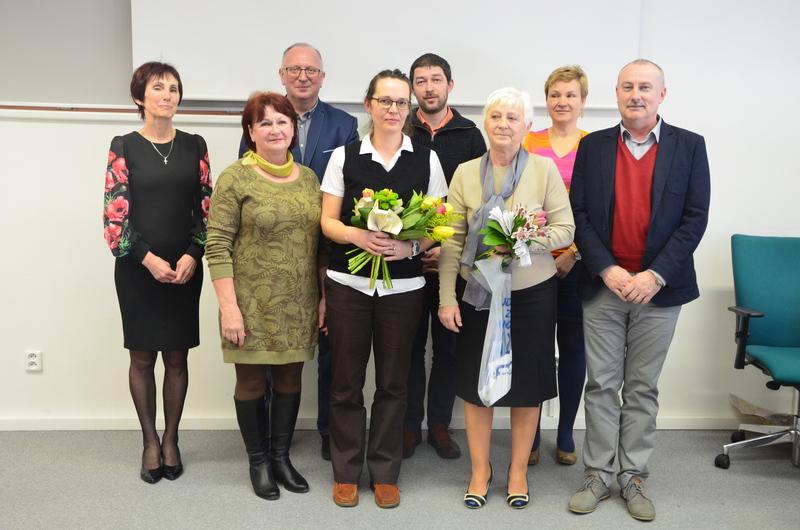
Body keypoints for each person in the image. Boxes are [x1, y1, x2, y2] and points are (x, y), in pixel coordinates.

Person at [567, 59, 710, 522]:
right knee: (603, 384)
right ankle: (597, 475)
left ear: (662, 95)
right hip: (605, 286)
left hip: (659, 290)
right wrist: (606, 268)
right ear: (616, 93)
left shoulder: (690, 147)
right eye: (628, 87)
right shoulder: (594, 147)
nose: (636, 95)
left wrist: (654, 275)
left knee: (643, 387)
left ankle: (634, 476)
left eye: (645, 87)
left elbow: (694, 219)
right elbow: (580, 214)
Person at [438, 87, 575, 509]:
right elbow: (451, 240)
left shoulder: (544, 170)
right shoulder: (463, 173)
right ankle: (481, 471)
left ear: (527, 127)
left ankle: (517, 471)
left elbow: (566, 230)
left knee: (526, 385)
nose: (504, 125)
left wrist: (525, 239)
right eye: (496, 116)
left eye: (513, 118)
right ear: (485, 123)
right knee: (477, 386)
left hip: (532, 294)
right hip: (476, 293)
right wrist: (447, 297)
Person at [320, 69, 448, 509]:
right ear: (368, 104)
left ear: (409, 109)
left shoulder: (426, 158)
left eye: (401, 102)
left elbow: (438, 225)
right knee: (345, 383)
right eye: (385, 101)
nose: (394, 109)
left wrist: (411, 243)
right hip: (348, 285)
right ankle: (346, 472)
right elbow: (328, 221)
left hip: (405, 287)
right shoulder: (344, 156)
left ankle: (386, 471)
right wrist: (359, 238)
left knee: (394, 383)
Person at [238, 42, 359, 461]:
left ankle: (327, 430)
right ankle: (268, 439)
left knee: (329, 350)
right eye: (295, 69)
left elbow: (352, 184)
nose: (303, 76)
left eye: (311, 70)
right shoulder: (259, 117)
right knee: (267, 355)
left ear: (322, 77)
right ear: (282, 74)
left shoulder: (344, 125)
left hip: (326, 248)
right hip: (268, 256)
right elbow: (247, 185)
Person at [207, 92, 324, 501]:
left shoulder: (310, 178)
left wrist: (323, 297)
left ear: (293, 129)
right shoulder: (234, 178)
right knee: (252, 380)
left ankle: (280, 457)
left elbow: (319, 245)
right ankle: (257, 460)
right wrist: (229, 308)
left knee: (292, 378)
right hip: (250, 303)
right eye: (265, 123)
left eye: (282, 122)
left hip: (298, 301)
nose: (275, 130)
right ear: (251, 132)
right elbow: (217, 246)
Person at [103, 61, 212, 484]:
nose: (167, 95)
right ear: (139, 98)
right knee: (143, 356)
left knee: (177, 357)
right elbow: (114, 219)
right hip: (137, 268)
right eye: (157, 88)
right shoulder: (124, 144)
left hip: (185, 268)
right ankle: (149, 441)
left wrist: (192, 255)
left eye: (173, 88)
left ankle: (172, 439)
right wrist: (147, 259)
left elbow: (207, 210)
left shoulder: (195, 144)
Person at [403, 53, 487, 460]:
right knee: (408, 346)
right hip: (408, 260)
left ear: (450, 85)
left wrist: (446, 250)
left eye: (436, 79)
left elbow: (484, 202)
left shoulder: (471, 134)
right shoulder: (400, 128)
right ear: (412, 88)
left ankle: (438, 424)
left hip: (455, 263)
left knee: (449, 348)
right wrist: (417, 246)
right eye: (421, 81)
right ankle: (407, 425)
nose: (429, 88)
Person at [522, 65, 589, 466]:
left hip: (577, 264)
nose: (562, 101)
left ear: (582, 101)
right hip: (531, 261)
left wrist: (573, 253)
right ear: (546, 100)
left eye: (571, 95)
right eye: (555, 94)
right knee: (535, 348)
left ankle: (565, 430)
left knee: (573, 347)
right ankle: (530, 434)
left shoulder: (594, 145)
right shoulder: (527, 140)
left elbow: (598, 208)